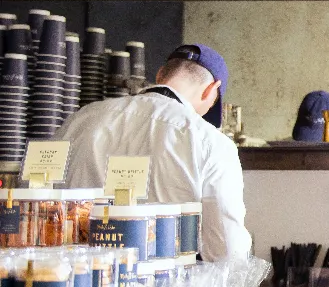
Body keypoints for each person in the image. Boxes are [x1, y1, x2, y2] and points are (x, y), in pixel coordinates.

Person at [56, 43, 251, 261]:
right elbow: (226, 249)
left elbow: (41, 206)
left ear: (160, 74)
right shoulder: (210, 141)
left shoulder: (81, 119)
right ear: (211, 89)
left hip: (72, 281)